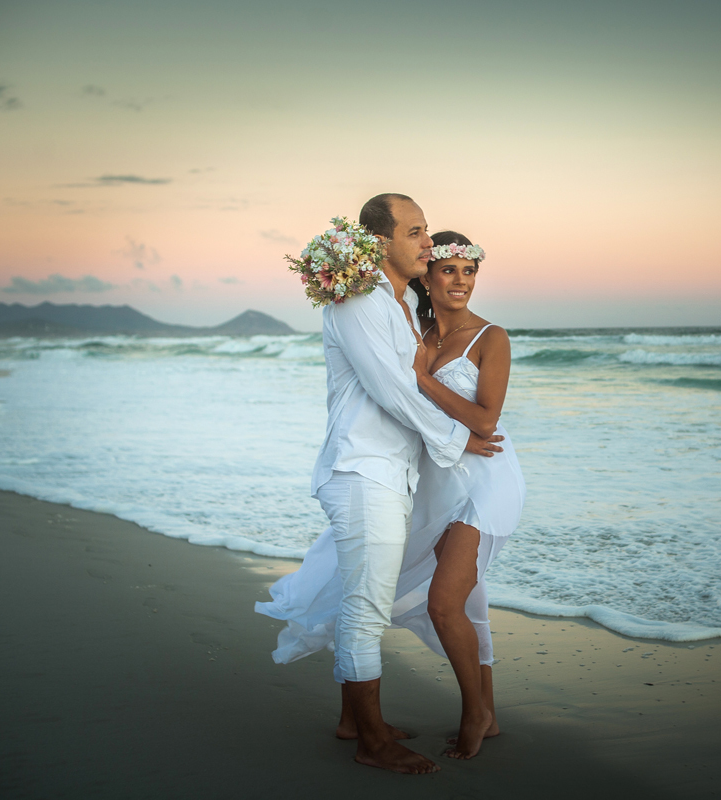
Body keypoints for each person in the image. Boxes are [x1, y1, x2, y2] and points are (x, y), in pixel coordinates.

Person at [255, 194, 503, 775]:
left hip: (388, 471)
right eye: (415, 232)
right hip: (365, 470)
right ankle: (371, 740)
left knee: (359, 600)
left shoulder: (393, 302)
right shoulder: (362, 299)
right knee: (366, 609)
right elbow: (394, 390)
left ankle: (354, 720)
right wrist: (455, 440)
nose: (427, 243)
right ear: (381, 241)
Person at [394, 231, 526, 758]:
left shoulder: (491, 337)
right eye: (448, 270)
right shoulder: (417, 333)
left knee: (444, 603)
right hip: (439, 481)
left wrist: (423, 380)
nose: (460, 281)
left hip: (488, 479)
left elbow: (485, 418)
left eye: (468, 271)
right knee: (470, 601)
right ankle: (486, 714)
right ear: (427, 276)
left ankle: (477, 712)